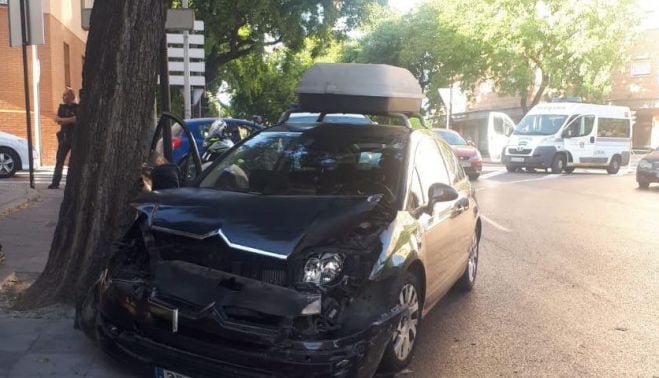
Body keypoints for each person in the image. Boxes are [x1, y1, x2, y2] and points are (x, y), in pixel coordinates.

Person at [49, 88, 79, 189]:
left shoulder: (78, 107)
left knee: (74, 161)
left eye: (66, 95)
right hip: (64, 137)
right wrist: (70, 120)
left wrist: (64, 120)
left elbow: (76, 120)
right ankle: (55, 182)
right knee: (59, 160)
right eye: (63, 95)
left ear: (71, 96)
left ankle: (72, 183)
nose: (63, 97)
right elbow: (57, 120)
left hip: (75, 137)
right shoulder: (61, 107)